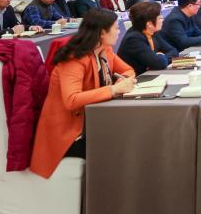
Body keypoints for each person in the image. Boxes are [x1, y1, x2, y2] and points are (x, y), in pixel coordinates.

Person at [29, 9, 135, 178]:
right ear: (102, 32)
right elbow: (71, 100)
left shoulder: (105, 50)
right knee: (122, 143)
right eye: (116, 28)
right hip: (69, 133)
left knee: (131, 134)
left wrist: (120, 82)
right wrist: (113, 89)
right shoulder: (74, 58)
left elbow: (129, 71)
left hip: (92, 122)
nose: (119, 31)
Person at [117, 1, 177, 75]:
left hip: (150, 74)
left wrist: (160, 57)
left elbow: (173, 51)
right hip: (137, 78)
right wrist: (160, 56)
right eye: (160, 18)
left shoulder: (152, 32)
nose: (162, 20)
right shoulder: (134, 39)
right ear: (149, 24)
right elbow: (159, 63)